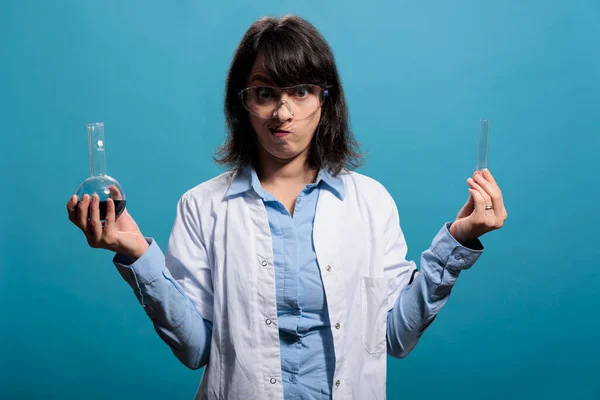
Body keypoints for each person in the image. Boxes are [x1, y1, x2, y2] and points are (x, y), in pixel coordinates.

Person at [66, 14, 507, 400]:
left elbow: (394, 335)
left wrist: (458, 241)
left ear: (325, 99)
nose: (282, 112)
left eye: (300, 91)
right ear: (243, 103)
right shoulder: (202, 206)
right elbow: (195, 349)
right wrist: (137, 255)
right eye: (264, 92)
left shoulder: (371, 202)